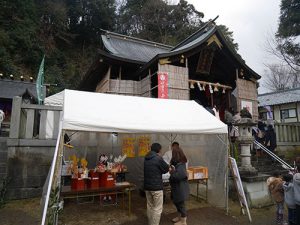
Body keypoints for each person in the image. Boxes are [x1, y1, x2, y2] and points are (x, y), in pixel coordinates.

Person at [144, 143, 170, 225]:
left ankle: (150, 222)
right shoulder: (158, 158)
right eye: (161, 149)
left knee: (150, 206)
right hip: (156, 187)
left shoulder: (146, 158)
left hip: (147, 187)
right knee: (157, 209)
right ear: (159, 150)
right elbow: (166, 169)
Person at [169, 146, 190, 225]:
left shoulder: (181, 165)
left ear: (176, 155)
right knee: (177, 203)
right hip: (178, 188)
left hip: (180, 189)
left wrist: (172, 172)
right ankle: (179, 217)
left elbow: (179, 176)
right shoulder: (179, 163)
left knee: (181, 204)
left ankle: (183, 221)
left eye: (173, 153)